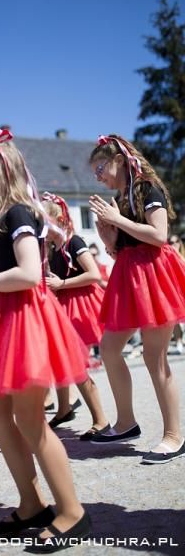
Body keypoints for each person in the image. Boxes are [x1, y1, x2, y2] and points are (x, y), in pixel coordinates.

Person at [0, 128, 91, 551]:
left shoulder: (19, 215)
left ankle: (71, 512)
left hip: (24, 323)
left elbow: (30, 274)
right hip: (5, 320)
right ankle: (31, 504)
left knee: (31, 419)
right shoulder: (3, 218)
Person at [88, 134, 185, 464]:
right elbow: (125, 249)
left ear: (118, 160)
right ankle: (126, 423)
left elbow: (159, 236)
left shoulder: (145, 189)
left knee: (154, 359)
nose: (97, 176)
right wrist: (110, 239)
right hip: (131, 276)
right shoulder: (121, 196)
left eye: (100, 168)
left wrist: (118, 221)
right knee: (110, 347)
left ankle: (174, 436)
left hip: (156, 276)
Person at [42, 193, 109, 440]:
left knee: (76, 364)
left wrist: (62, 283)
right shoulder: (52, 248)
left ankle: (100, 420)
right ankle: (63, 409)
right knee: (59, 360)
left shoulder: (74, 242)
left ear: (58, 218)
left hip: (80, 306)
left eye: (44, 221)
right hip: (63, 305)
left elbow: (93, 274)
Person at [168, 235, 185, 354]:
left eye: (176, 242)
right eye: (171, 242)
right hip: (175, 292)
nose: (173, 244)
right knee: (176, 321)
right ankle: (179, 343)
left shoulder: (182, 256)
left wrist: (177, 254)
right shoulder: (167, 258)